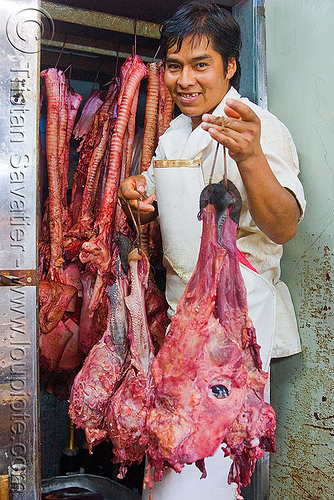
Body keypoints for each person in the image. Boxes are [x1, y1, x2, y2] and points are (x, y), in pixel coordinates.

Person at [118, 1, 306, 498]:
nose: (185, 80)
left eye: (201, 65)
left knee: (206, 475)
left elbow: (284, 224)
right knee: (173, 462)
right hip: (184, 324)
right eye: (174, 66)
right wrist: (140, 199)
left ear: (230, 66)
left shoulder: (258, 127)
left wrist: (249, 157)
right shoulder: (174, 135)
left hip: (237, 324)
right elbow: (170, 211)